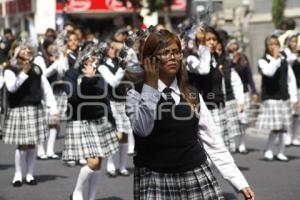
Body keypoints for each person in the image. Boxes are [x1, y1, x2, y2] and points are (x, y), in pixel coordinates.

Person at [126, 29, 255, 200]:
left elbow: (213, 141)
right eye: (165, 53)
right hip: (155, 179)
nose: (172, 57)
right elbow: (142, 129)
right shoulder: (135, 94)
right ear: (150, 59)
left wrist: (239, 181)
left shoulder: (192, 94)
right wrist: (149, 87)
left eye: (176, 52)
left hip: (195, 174)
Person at [62, 47, 119, 200]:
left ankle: (92, 197)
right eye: (91, 57)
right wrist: (87, 80)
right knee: (93, 162)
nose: (94, 61)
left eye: (96, 58)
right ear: (83, 58)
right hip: (81, 121)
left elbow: (104, 100)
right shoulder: (72, 74)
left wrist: (113, 122)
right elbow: (73, 97)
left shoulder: (99, 74)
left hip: (100, 121)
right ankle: (77, 192)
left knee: (98, 163)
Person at [3, 43, 58, 187]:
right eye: (24, 49)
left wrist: (53, 109)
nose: (28, 51)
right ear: (17, 53)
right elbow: (11, 88)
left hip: (35, 108)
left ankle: (30, 174)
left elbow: (46, 89)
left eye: (28, 50)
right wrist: (23, 73)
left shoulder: (37, 68)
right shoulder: (10, 69)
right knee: (22, 144)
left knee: (32, 144)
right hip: (19, 109)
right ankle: (18, 174)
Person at [257, 35, 298, 161]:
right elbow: (269, 72)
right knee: (275, 127)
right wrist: (275, 58)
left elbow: (290, 79)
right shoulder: (263, 61)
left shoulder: (284, 60)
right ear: (267, 47)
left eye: (276, 44)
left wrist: (294, 97)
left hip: (284, 97)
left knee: (284, 127)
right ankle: (269, 149)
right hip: (271, 98)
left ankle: (281, 151)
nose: (274, 46)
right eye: (271, 44)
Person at [227, 39, 258, 153]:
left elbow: (249, 76)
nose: (234, 50)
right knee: (232, 119)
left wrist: (254, 91)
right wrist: (232, 62)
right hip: (231, 94)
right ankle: (232, 143)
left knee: (243, 119)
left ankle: (242, 143)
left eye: (236, 48)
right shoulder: (226, 60)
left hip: (244, 92)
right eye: (232, 48)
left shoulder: (244, 58)